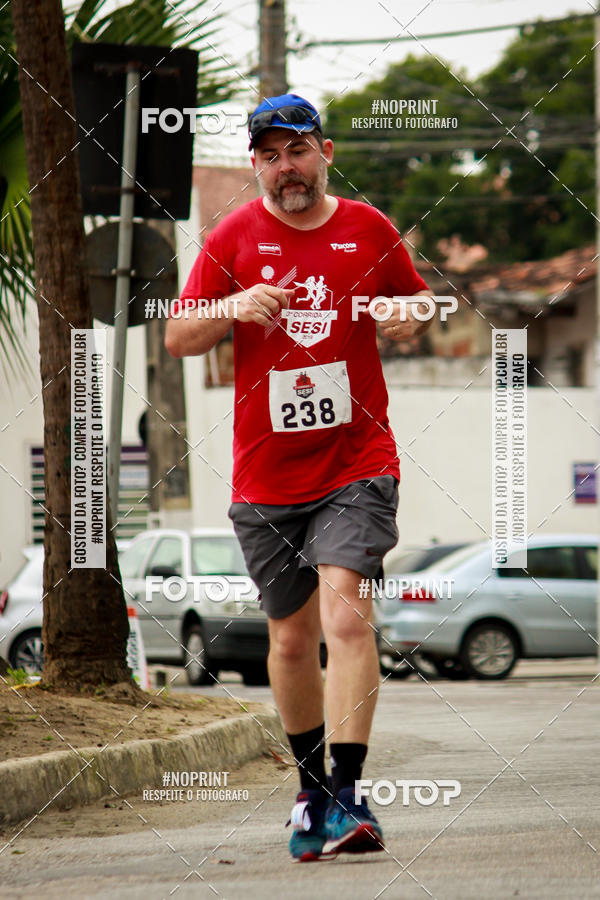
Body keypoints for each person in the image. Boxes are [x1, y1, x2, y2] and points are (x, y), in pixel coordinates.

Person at [165, 93, 433, 861]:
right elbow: (181, 334)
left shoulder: (368, 228)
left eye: (299, 150)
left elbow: (417, 307)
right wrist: (236, 305)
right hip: (268, 474)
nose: (288, 168)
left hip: (358, 460)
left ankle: (349, 793)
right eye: (272, 155)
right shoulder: (232, 236)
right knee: (289, 640)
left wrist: (404, 319)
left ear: (326, 154)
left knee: (346, 619)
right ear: (257, 166)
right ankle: (312, 791)